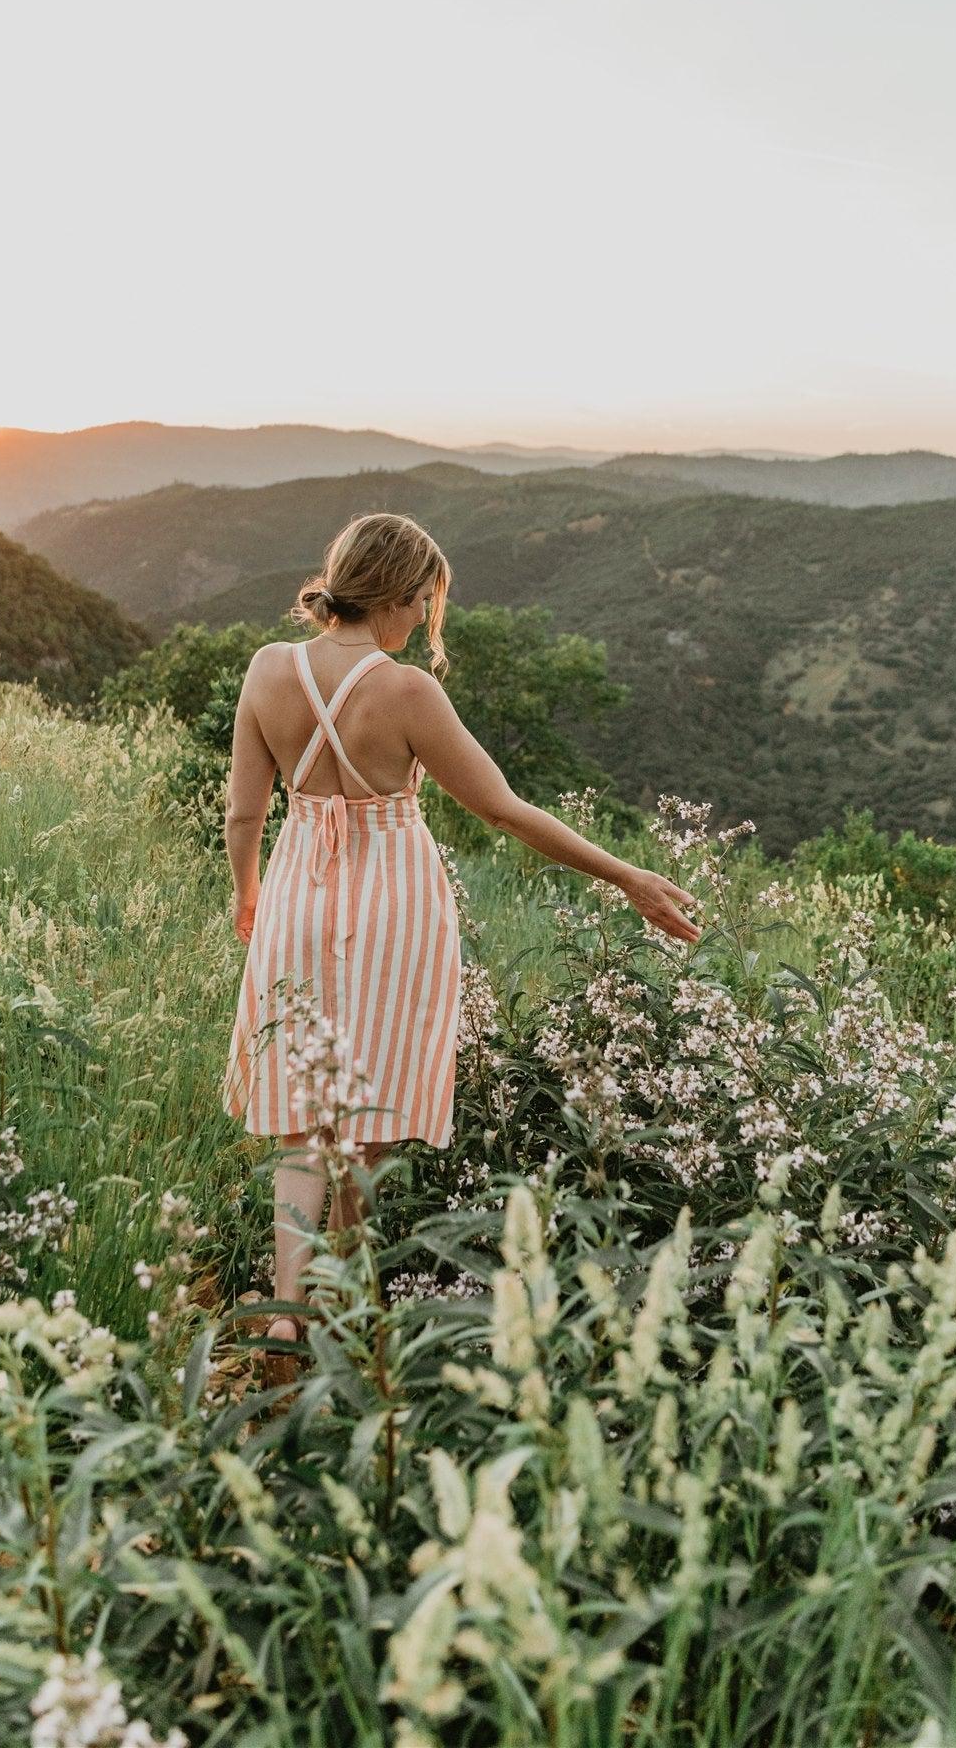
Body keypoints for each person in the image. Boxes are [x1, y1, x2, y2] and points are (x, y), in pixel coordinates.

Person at [219, 511, 701, 1373]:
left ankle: (287, 1310)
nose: (423, 619)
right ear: (397, 595)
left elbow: (243, 812)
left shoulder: (267, 669)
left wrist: (247, 892)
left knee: (301, 1115)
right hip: (392, 906)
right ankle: (344, 1303)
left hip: (295, 892)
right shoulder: (406, 691)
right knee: (364, 1120)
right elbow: (503, 810)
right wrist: (626, 875)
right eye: (424, 602)